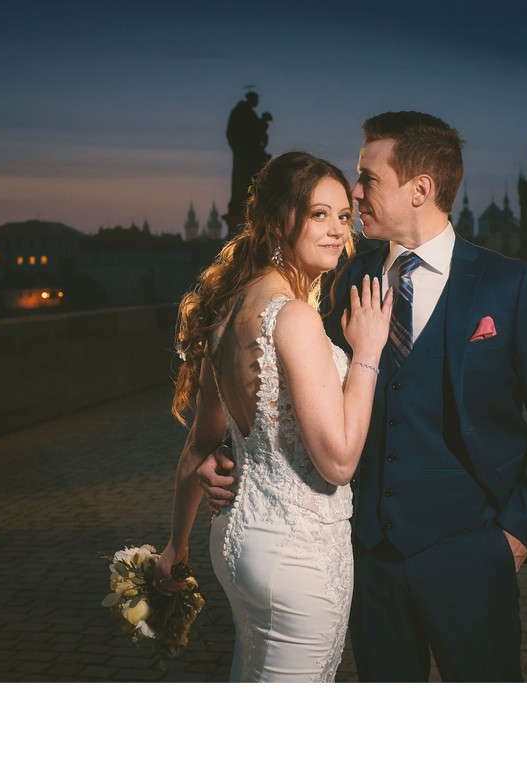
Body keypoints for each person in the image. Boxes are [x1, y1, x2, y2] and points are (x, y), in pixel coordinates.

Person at [200, 112, 527, 682]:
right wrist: (229, 454)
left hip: (472, 555)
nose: (355, 194)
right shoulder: (342, 276)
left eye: (367, 178)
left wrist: (518, 535)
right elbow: (286, 389)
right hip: (368, 561)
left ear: (420, 189)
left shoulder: (507, 285)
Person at [154, 151, 393, 682]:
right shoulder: (296, 318)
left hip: (238, 546)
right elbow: (337, 461)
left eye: (341, 216)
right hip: (299, 554)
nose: (338, 231)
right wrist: (368, 353)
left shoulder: (227, 312)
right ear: (278, 221)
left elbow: (200, 445)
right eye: (318, 215)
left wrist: (177, 543)